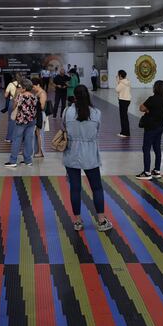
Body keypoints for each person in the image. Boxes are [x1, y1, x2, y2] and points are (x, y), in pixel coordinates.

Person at [62, 85, 113, 232]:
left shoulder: (67, 112)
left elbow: (64, 129)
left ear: (74, 96)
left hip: (71, 153)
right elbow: (97, 131)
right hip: (90, 154)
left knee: (75, 189)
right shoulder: (96, 113)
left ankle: (78, 222)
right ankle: (101, 221)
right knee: (96, 187)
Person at [137, 80, 163, 180]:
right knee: (157, 148)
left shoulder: (152, 99)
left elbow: (141, 108)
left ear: (155, 88)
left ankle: (147, 172)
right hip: (160, 126)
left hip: (150, 127)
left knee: (146, 148)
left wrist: (147, 110)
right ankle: (157, 170)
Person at [5, 78, 38, 167]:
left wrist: (17, 95)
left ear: (24, 88)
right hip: (31, 121)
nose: (19, 88)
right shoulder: (34, 96)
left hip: (21, 120)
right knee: (28, 140)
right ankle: (28, 160)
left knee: (16, 139)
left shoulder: (20, 96)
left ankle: (13, 161)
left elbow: (14, 106)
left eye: (21, 87)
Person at [31, 78, 48, 158]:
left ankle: (40, 151)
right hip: (37, 114)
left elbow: (42, 106)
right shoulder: (37, 93)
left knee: (39, 133)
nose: (33, 88)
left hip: (40, 115)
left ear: (38, 85)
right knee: (37, 133)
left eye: (34, 86)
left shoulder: (42, 93)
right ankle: (37, 150)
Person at [3, 74, 21, 142]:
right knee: (20, 120)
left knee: (11, 121)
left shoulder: (10, 84)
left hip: (12, 102)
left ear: (13, 78)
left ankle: (9, 137)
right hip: (21, 103)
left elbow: (5, 95)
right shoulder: (22, 84)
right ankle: (19, 136)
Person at [115, 70, 132, 138]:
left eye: (118, 75)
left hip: (123, 100)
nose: (117, 76)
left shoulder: (122, 83)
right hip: (127, 100)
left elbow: (117, 90)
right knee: (124, 116)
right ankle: (125, 132)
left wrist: (118, 81)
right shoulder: (127, 81)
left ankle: (125, 133)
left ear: (120, 76)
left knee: (123, 117)